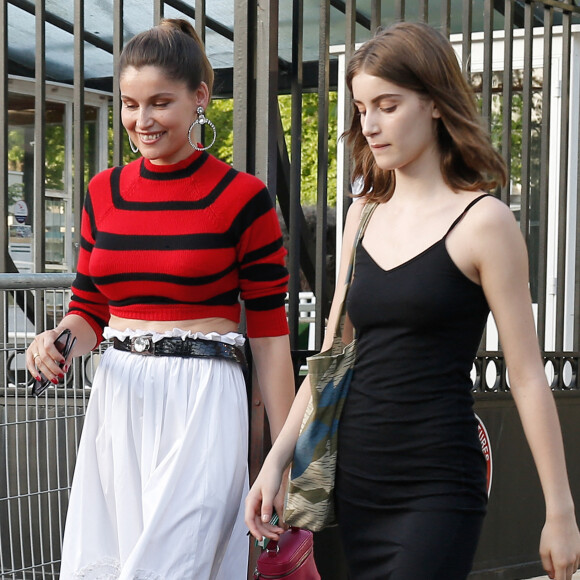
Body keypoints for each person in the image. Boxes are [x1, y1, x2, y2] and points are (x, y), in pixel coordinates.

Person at [245, 21, 580, 580]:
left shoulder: (484, 222)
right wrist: (276, 461)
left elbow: (525, 374)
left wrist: (560, 511)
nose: (370, 124)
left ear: (436, 104)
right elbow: (329, 359)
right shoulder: (362, 215)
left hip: (438, 485)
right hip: (352, 481)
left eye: (388, 104)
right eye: (360, 108)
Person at [26, 18, 295, 580]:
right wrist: (57, 341)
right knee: (110, 564)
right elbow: (90, 309)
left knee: (172, 568)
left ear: (200, 97)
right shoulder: (103, 192)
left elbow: (270, 340)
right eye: (128, 104)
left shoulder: (244, 198)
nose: (140, 121)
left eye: (159, 103)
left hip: (203, 401)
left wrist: (281, 456)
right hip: (119, 399)